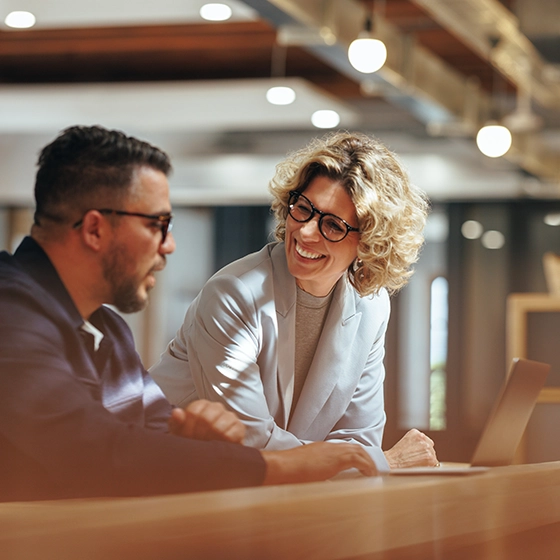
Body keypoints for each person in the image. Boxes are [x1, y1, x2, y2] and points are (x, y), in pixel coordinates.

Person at [0, 125, 378, 503]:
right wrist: (288, 465)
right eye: (157, 225)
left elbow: (148, 436)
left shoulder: (107, 329)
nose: (169, 245)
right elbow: (94, 453)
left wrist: (191, 438)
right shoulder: (9, 316)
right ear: (96, 229)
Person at [150, 131, 438, 470]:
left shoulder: (371, 306)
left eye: (332, 225)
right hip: (162, 478)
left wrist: (364, 459)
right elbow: (252, 441)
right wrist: (382, 461)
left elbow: (359, 436)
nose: (305, 231)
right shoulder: (234, 293)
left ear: (370, 242)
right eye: (303, 208)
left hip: (266, 489)